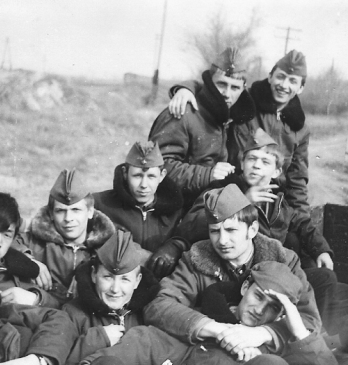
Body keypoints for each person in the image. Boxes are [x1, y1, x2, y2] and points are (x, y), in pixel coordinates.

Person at [176, 128, 339, 333]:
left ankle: (324, 336)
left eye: (265, 162)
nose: (256, 166)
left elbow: (302, 224)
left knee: (325, 278)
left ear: (276, 172)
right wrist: (243, 201)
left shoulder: (279, 202)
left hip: (272, 274)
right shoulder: (222, 191)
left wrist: (321, 249)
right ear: (242, 164)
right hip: (239, 275)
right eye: (251, 159)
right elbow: (190, 225)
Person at [143, 184, 321, 358]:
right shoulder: (196, 258)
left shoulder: (284, 260)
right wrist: (218, 330)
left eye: (231, 230)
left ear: (252, 229)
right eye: (214, 231)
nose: (222, 240)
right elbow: (159, 305)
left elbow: (309, 320)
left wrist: (263, 333)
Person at [169, 50, 310, 216]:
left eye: (292, 81)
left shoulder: (300, 128)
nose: (284, 85)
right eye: (280, 77)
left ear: (300, 88)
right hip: (232, 191)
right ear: (270, 76)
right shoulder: (245, 102)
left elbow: (297, 181)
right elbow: (215, 89)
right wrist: (185, 89)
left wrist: (303, 219)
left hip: (271, 201)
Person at [148, 47, 256, 204]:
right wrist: (208, 174)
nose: (227, 93)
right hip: (177, 209)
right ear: (210, 83)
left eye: (234, 87)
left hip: (211, 204)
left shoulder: (234, 118)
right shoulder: (182, 112)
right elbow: (157, 166)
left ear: (243, 89)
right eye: (221, 84)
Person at [65, 229, 188, 365]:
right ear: (94, 275)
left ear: (137, 281)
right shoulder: (73, 313)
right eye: (107, 277)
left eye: (125, 279)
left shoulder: (151, 312)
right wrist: (97, 339)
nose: (115, 289)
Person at [184, 261, 337, 365]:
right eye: (258, 296)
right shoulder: (204, 320)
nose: (259, 310)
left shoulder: (284, 344)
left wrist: (300, 332)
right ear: (245, 288)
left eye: (274, 307)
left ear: (281, 315)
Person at [16, 168, 116, 308]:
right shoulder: (36, 241)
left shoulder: (109, 244)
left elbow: (136, 257)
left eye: (76, 210)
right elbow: (8, 243)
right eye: (61, 211)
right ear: (50, 213)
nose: (68, 219)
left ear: (90, 212)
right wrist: (28, 260)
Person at [93, 141, 185, 278]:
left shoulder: (176, 210)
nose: (144, 185)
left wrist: (175, 246)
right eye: (137, 176)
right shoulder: (100, 203)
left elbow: (189, 237)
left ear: (162, 176)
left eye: (151, 177)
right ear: (125, 173)